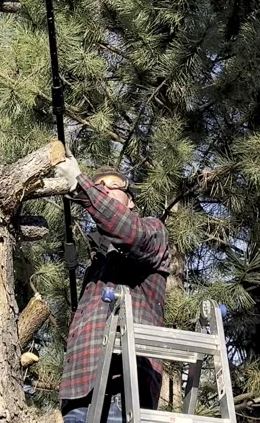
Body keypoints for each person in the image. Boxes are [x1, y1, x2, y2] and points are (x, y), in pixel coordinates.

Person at [56, 155, 171, 423]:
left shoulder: (152, 231)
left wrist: (81, 184)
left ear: (131, 200)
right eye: (99, 186)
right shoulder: (96, 269)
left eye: (113, 185)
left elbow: (130, 233)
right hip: (78, 398)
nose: (104, 188)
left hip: (123, 391)